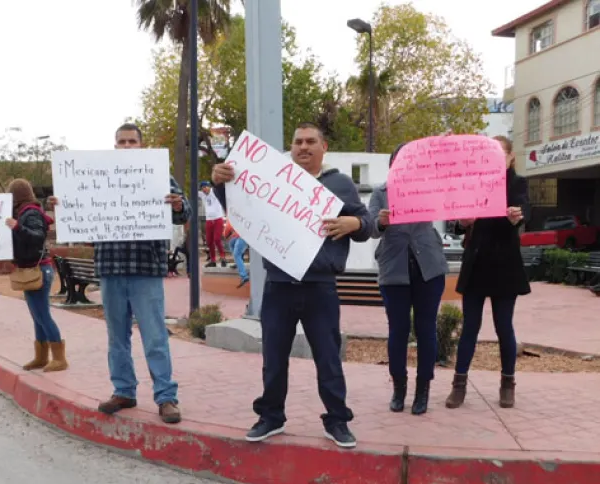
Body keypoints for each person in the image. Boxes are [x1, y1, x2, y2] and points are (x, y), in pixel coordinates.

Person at [211, 122, 372, 448]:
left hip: (320, 287)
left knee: (328, 357)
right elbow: (241, 206)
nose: (303, 147)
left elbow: (367, 224)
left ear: (323, 146)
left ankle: (337, 420)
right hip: (279, 285)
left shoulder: (340, 183)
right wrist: (219, 184)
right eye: (298, 141)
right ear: (292, 147)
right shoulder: (272, 179)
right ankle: (271, 416)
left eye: (311, 141)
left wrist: (353, 222)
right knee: (273, 357)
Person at [93, 123, 191, 424]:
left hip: (145, 268)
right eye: (121, 142)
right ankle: (124, 390)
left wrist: (177, 205)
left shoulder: (158, 174)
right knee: (116, 337)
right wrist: (64, 206)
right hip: (110, 267)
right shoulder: (98, 176)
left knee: (154, 335)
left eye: (131, 141)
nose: (126, 146)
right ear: (114, 146)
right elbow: (82, 212)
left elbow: (184, 211)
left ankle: (166, 396)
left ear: (141, 144)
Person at [446, 135, 530, 409]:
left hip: (505, 265)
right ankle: (459, 385)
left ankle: (508, 383)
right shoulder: (474, 182)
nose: (493, 159)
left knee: (504, 327)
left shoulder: (517, 183)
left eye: (499, 154)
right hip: (477, 263)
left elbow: (524, 209)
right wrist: (462, 221)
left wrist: (517, 216)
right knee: (470, 326)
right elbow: (457, 222)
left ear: (510, 157)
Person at [369, 144, 449, 415]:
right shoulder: (380, 194)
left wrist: (444, 147)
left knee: (426, 329)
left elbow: (451, 187)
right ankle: (399, 388)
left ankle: (423, 389)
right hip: (394, 271)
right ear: (392, 165)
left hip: (429, 267)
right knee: (398, 331)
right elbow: (370, 229)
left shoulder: (430, 187)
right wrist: (380, 222)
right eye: (399, 162)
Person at [6, 179, 68, 373]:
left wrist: (17, 227)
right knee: (37, 315)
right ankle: (41, 356)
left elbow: (37, 237)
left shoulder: (30, 213)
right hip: (31, 268)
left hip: (38, 269)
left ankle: (59, 357)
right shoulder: (24, 212)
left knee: (42, 314)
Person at [200, 181, 226, 268]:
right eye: (203, 188)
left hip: (218, 219)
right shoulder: (202, 195)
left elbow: (219, 188)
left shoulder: (215, 192)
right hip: (209, 220)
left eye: (206, 187)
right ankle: (213, 260)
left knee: (217, 239)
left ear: (209, 187)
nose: (204, 189)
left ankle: (223, 257)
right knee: (209, 241)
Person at [223, 218, 249, 288]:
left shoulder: (232, 215)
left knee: (236, 254)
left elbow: (227, 229)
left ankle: (244, 276)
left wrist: (226, 234)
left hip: (243, 236)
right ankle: (238, 262)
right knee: (231, 243)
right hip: (240, 236)